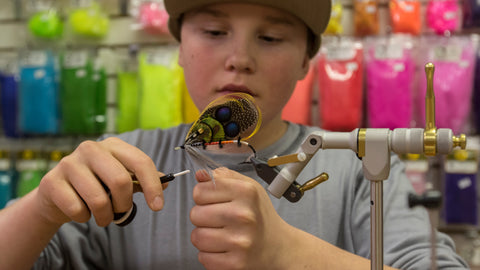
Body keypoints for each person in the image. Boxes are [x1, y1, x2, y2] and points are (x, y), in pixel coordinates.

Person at [0, 0, 469, 269]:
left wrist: (287, 251)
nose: (239, 58)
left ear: (307, 61)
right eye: (214, 31)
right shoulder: (118, 162)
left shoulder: (358, 168)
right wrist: (41, 209)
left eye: (270, 38)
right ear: (179, 47)